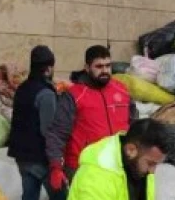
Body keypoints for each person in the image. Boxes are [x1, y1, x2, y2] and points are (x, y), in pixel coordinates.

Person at [1, 45, 68, 200]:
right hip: (41, 159)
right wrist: (56, 161)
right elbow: (49, 131)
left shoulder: (22, 89)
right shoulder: (46, 94)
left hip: (22, 158)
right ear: (48, 68)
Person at [45, 46, 138, 191]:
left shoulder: (121, 90)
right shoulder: (74, 95)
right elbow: (57, 134)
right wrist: (56, 167)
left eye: (108, 66)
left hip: (117, 167)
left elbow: (134, 125)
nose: (105, 71)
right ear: (87, 67)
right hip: (83, 168)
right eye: (99, 66)